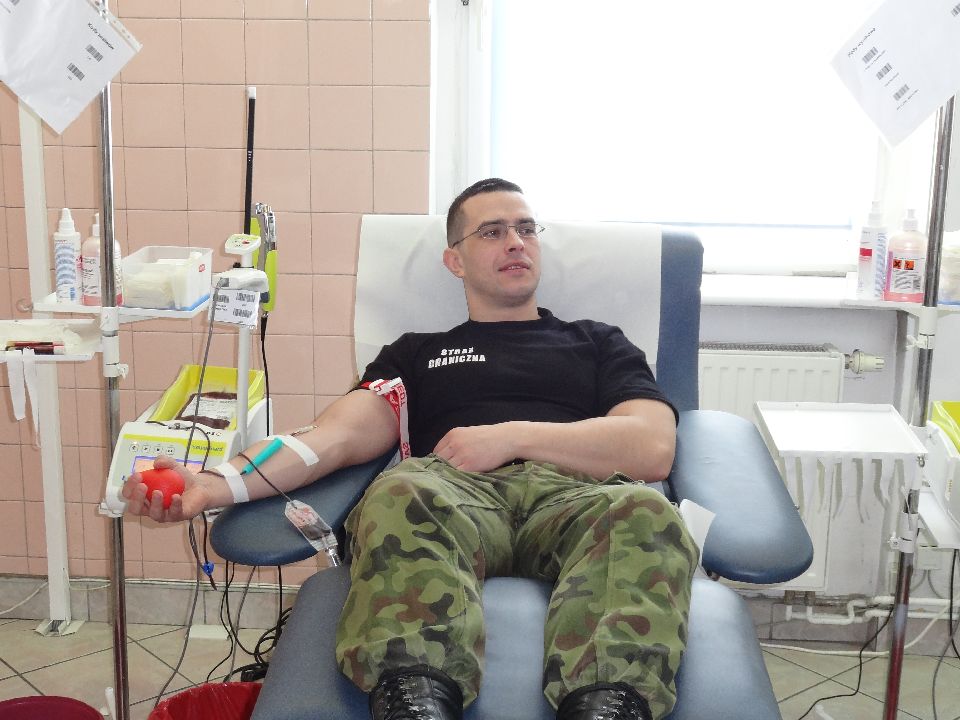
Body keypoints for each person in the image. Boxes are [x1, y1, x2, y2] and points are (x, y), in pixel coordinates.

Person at [123, 178, 698, 720]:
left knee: (644, 511)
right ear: (455, 260)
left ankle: (606, 703)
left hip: (579, 495)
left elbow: (651, 446)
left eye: (526, 229)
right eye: (492, 231)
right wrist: (215, 484)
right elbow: (330, 439)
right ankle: (417, 699)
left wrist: (510, 436)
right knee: (398, 492)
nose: (515, 242)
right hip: (453, 494)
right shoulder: (416, 353)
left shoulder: (597, 341)